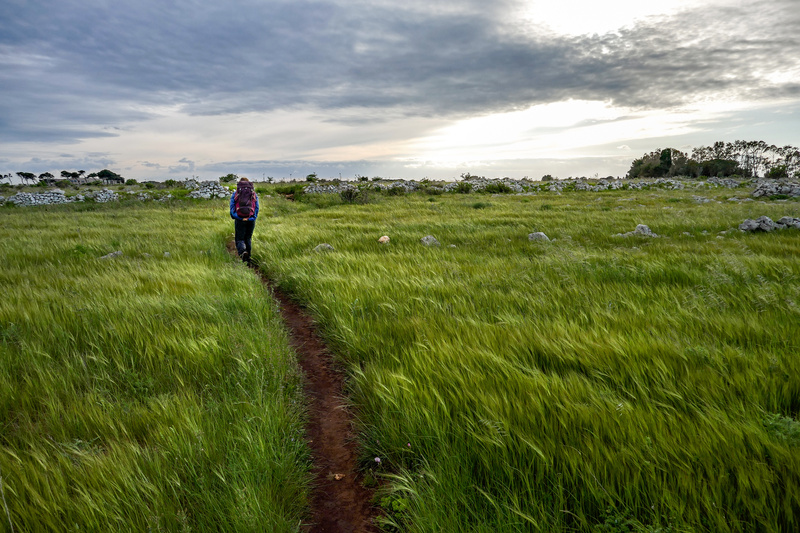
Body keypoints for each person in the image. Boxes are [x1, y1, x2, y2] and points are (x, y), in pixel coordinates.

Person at [230, 177, 259, 263]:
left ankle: (243, 253)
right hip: (251, 220)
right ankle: (248, 259)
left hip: (239, 219)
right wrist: (252, 218)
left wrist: (238, 217)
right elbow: (256, 208)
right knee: (248, 238)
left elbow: (232, 208)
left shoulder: (235, 194)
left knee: (239, 239)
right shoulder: (253, 194)